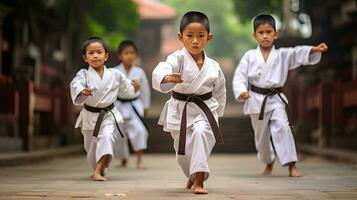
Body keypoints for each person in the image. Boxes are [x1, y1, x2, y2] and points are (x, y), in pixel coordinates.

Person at [232, 14, 328, 177]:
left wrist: (314, 49)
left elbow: (297, 53)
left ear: (275, 34)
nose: (265, 36)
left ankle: (292, 165)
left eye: (269, 32)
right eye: (261, 32)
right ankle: (268, 161)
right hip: (256, 100)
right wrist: (241, 91)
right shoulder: (249, 56)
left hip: (275, 99)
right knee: (261, 139)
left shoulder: (283, 55)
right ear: (255, 35)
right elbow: (239, 76)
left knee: (283, 128)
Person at [152, 11, 226, 194]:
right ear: (180, 37)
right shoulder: (177, 58)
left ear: (209, 38)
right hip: (180, 111)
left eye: (200, 36)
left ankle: (199, 181)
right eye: (190, 36)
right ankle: (191, 175)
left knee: (201, 133)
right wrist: (167, 77)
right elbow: (163, 68)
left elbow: (220, 92)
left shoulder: (214, 66)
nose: (195, 41)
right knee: (181, 152)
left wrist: (218, 114)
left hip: (205, 110)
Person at [70, 36, 140, 181]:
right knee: (91, 149)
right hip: (90, 115)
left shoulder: (115, 75)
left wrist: (135, 86)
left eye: (99, 52)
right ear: (85, 58)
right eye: (91, 53)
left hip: (109, 114)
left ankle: (98, 170)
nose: (95, 56)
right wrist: (82, 91)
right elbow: (76, 84)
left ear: (106, 56)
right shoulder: (83, 74)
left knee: (107, 137)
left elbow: (127, 90)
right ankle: (98, 167)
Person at [113, 40, 150, 170]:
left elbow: (145, 91)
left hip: (134, 105)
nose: (129, 56)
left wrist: (145, 106)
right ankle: (123, 158)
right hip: (118, 106)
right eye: (126, 53)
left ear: (136, 55)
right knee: (118, 134)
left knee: (139, 131)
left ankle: (139, 159)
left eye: (132, 53)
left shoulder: (139, 72)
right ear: (120, 56)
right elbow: (110, 90)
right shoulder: (114, 72)